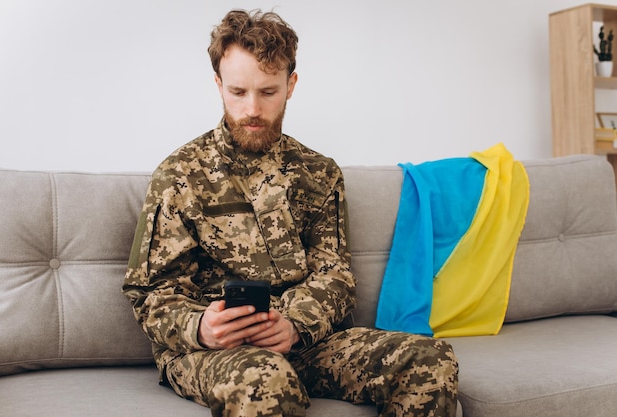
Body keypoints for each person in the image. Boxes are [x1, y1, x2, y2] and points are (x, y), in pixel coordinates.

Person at [123, 8, 458, 417]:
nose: (251, 109)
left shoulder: (319, 173)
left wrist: (295, 324)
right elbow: (150, 294)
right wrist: (200, 326)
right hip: (216, 351)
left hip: (307, 341)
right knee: (265, 380)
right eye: (237, 92)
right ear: (218, 85)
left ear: (290, 85)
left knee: (429, 359)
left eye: (268, 92)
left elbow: (336, 276)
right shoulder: (178, 176)